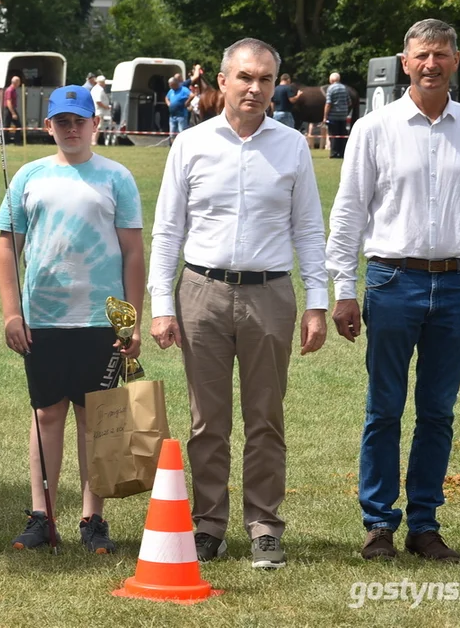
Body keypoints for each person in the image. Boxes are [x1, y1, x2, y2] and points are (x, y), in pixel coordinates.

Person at [326, 19, 460, 563]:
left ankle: (424, 525)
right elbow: (349, 212)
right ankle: (379, 524)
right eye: (421, 55)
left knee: (437, 411)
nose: (431, 64)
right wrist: (344, 288)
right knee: (384, 408)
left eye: (441, 54)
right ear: (405, 63)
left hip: (456, 284)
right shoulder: (374, 127)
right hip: (391, 280)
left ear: (456, 61)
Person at [148, 38, 328, 570]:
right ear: (222, 82)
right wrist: (161, 304)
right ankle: (207, 525)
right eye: (245, 77)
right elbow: (167, 230)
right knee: (207, 421)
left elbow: (309, 231)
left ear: (276, 86)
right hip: (201, 292)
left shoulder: (292, 145)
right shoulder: (192, 144)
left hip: (270, 293)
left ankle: (265, 527)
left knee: (265, 419)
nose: (255, 88)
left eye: (265, 79)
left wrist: (317, 303)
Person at [0, 85, 145, 555]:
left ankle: (92, 518)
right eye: (62, 121)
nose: (72, 129)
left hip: (101, 321)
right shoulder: (28, 177)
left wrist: (132, 323)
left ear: (95, 124)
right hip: (43, 319)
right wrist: (11, 312)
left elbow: (133, 251)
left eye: (80, 121)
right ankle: (42, 515)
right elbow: (6, 246)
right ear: (49, 126)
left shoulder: (116, 177)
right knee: (47, 414)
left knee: (95, 420)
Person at [324, 72, 350, 158]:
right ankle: (342, 153)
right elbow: (349, 102)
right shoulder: (345, 88)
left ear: (331, 80)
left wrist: (325, 116)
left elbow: (328, 104)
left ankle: (334, 153)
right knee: (342, 134)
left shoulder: (330, 89)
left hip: (333, 116)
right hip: (343, 115)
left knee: (333, 135)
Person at [90, 75, 110, 146]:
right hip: (99, 111)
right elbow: (98, 101)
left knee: (95, 126)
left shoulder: (94, 88)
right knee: (98, 126)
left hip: (95, 110)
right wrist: (106, 107)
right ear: (101, 82)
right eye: (104, 82)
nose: (105, 84)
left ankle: (92, 141)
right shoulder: (99, 90)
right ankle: (94, 141)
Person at [4, 76, 22, 145]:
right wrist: (13, 113)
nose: (19, 83)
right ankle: (5, 142)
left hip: (12, 109)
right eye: (19, 82)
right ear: (15, 82)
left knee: (18, 126)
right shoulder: (10, 90)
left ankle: (17, 142)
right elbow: (9, 102)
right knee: (6, 126)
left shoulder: (14, 90)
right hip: (9, 109)